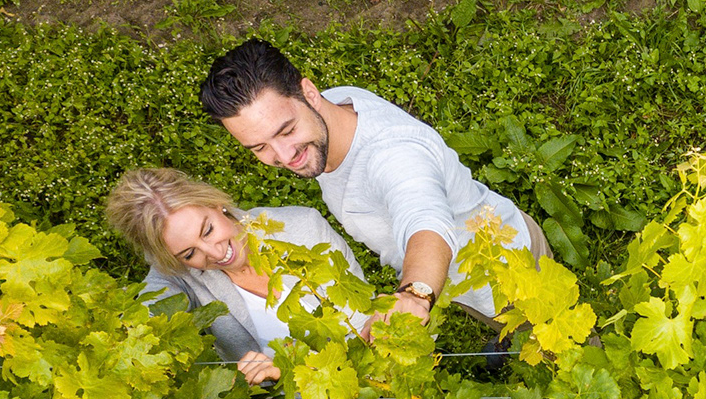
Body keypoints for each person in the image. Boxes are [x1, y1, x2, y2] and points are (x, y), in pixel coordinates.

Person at [197, 39, 548, 336]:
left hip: (504, 271)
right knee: (499, 325)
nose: (285, 156)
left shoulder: (394, 155)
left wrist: (414, 295)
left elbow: (425, 218)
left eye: (287, 131)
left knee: (548, 339)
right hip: (453, 278)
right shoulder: (336, 106)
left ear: (309, 93)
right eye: (260, 147)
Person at [104, 168, 370, 385]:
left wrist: (293, 368)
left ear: (216, 204)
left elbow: (362, 330)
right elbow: (150, 313)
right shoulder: (179, 273)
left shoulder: (304, 228)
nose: (215, 253)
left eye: (207, 230)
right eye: (189, 253)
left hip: (360, 380)